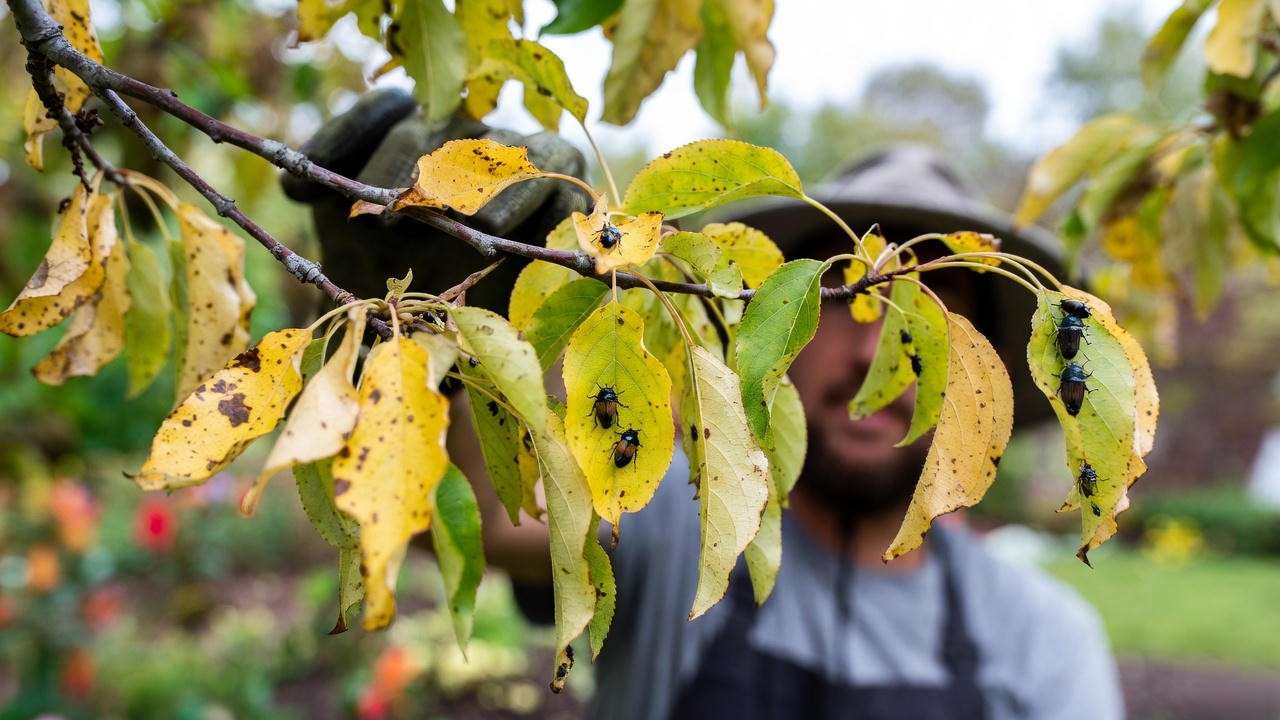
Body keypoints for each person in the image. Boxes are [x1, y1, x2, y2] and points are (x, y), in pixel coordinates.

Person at [285, 93, 1123, 720]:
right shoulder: (678, 524)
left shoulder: (1042, 641)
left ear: (977, 378)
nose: (875, 355)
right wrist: (414, 339)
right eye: (841, 293)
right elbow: (479, 515)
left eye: (931, 323)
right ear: (773, 326)